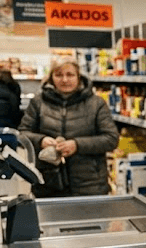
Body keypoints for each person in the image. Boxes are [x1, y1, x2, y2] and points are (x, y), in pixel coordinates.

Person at [18, 59, 118, 197]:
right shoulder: (38, 103)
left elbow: (111, 139)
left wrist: (77, 145)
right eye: (59, 75)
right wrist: (41, 140)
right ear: (51, 78)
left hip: (90, 185)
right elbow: (22, 134)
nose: (65, 80)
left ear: (78, 77)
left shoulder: (96, 104)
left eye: (70, 74)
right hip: (48, 185)